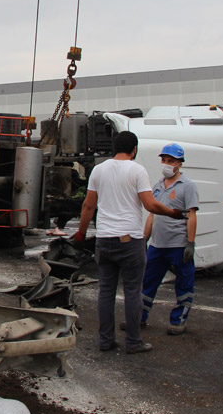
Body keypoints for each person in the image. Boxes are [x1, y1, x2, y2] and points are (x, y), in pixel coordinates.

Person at [74, 131, 185, 354]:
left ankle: (106, 340)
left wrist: (81, 232)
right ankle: (133, 342)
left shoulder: (99, 169)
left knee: (106, 291)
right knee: (133, 291)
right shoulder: (137, 170)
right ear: (134, 149)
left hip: (104, 239)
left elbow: (88, 205)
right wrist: (173, 213)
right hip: (130, 240)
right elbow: (150, 205)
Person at [138, 143, 199, 335]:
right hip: (158, 244)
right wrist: (144, 240)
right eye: (164, 160)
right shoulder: (157, 186)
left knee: (184, 282)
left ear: (179, 164)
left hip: (178, 244)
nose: (166, 164)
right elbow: (152, 215)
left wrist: (190, 243)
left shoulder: (187, 186)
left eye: (170, 161)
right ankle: (139, 317)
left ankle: (178, 320)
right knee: (148, 282)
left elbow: (192, 215)